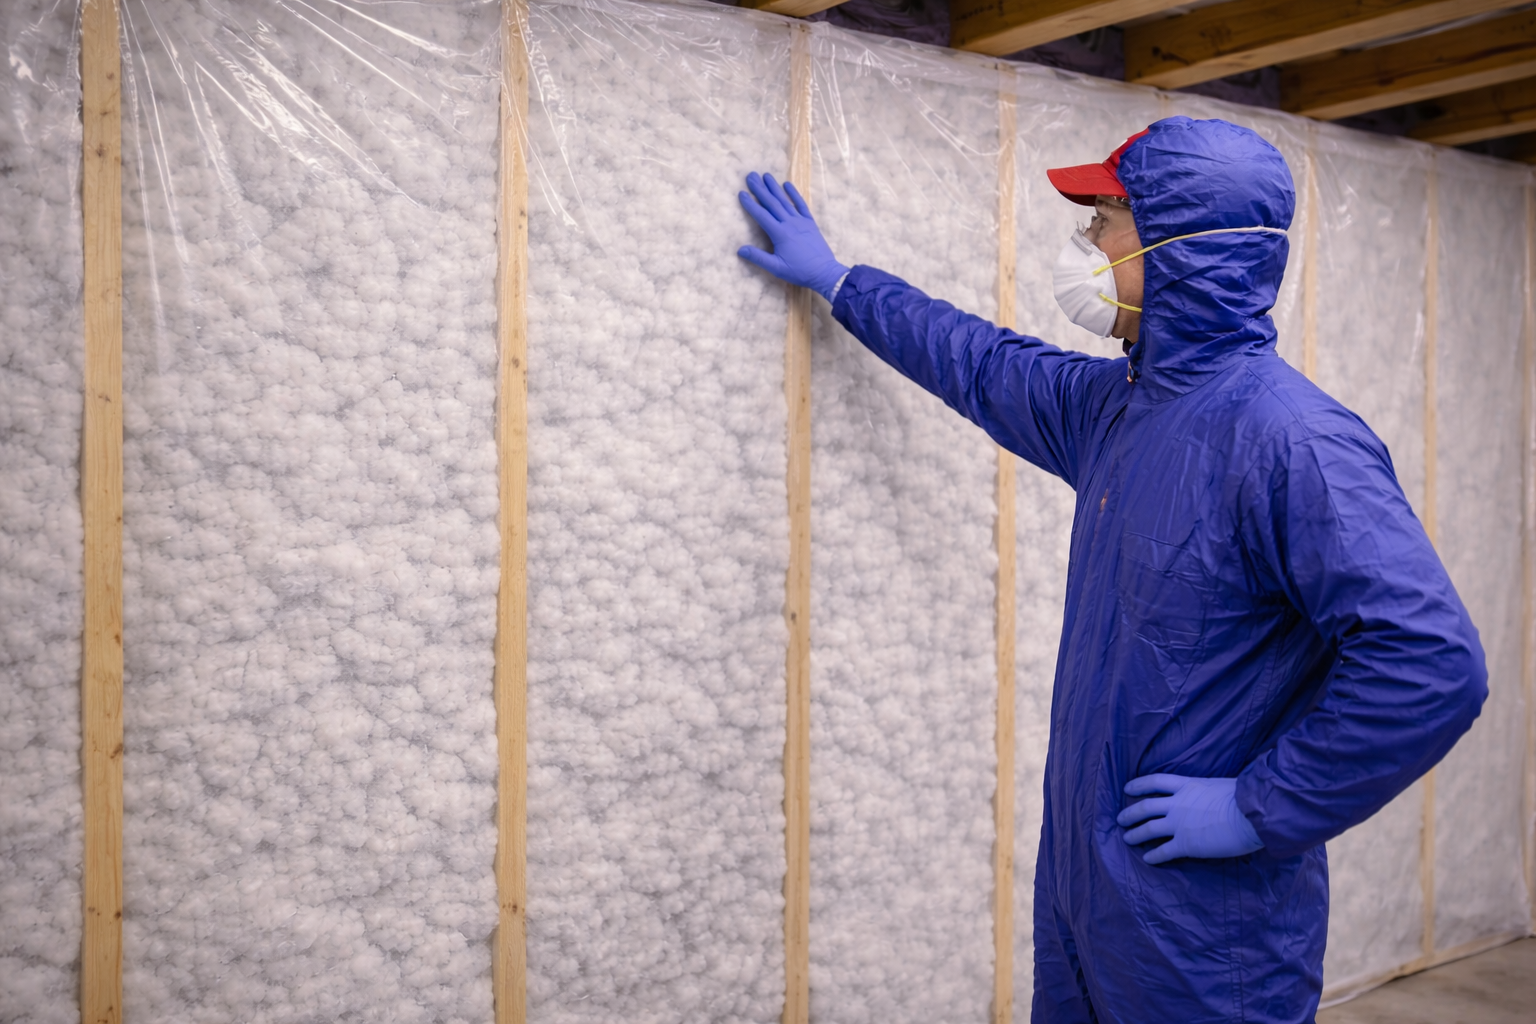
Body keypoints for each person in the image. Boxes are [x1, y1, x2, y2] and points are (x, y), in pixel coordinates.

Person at [736, 116, 1487, 1023]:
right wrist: (844, 283)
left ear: (1182, 250)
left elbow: (1430, 664)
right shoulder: (1116, 411)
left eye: (1105, 220)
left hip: (1206, 935)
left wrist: (1257, 806)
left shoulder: (1292, 443)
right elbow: (979, 362)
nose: (1085, 242)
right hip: (1088, 899)